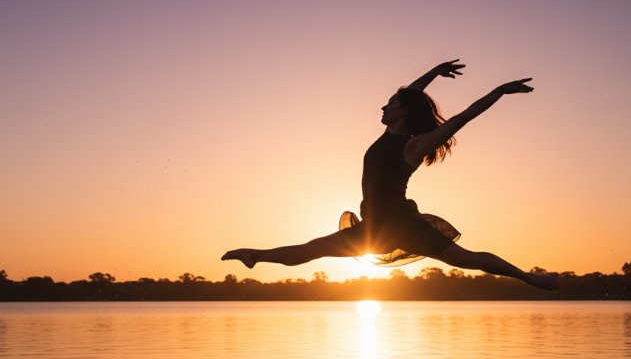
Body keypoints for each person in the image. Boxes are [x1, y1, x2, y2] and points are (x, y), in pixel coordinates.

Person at [221, 59, 559, 290]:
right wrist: (434, 72)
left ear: (403, 113)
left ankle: (528, 278)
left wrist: (499, 91)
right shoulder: (389, 135)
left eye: (390, 105)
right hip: (375, 227)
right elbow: (409, 94)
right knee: (314, 248)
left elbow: (464, 117)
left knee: (467, 260)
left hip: (401, 224)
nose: (383, 108)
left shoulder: (414, 146)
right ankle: (255, 255)